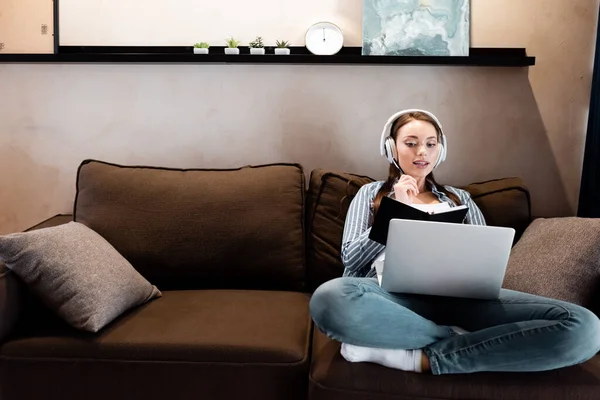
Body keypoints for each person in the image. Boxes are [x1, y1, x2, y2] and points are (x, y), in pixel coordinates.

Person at [309, 109, 600, 375]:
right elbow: (351, 259)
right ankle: (458, 337)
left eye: (431, 143)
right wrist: (395, 210)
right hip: (389, 298)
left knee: (585, 327)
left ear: (441, 150)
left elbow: (487, 257)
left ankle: (421, 357)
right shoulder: (370, 194)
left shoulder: (460, 199)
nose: (422, 151)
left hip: (464, 299)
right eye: (410, 143)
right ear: (391, 148)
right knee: (329, 299)